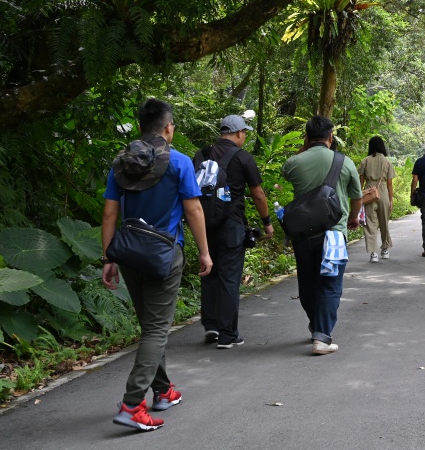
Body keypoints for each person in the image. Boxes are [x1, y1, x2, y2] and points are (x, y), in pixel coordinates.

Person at [100, 98, 213, 432]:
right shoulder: (178, 162)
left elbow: (109, 213)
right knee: (156, 329)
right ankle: (132, 405)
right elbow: (193, 210)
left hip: (129, 253)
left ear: (139, 127)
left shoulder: (121, 163)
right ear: (169, 128)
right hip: (164, 254)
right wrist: (205, 253)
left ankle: (163, 391)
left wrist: (108, 257)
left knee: (151, 326)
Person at [280, 116, 362, 355]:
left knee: (307, 283)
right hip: (334, 233)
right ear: (331, 137)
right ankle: (322, 337)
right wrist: (353, 217)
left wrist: (305, 147)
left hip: (303, 234)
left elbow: (286, 172)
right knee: (330, 283)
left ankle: (316, 326)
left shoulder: (294, 162)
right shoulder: (344, 162)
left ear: (306, 137)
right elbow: (356, 197)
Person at [194, 114, 274, 349]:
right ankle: (228, 335)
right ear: (239, 133)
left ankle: (211, 325)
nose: (245, 136)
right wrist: (267, 222)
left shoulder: (201, 154)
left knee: (208, 272)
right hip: (231, 224)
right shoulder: (243, 157)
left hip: (204, 223)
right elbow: (258, 194)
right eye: (245, 133)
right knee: (229, 278)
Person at [358, 136, 396, 263]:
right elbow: (390, 183)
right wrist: (391, 200)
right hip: (383, 191)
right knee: (384, 221)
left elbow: (360, 182)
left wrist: (359, 198)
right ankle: (385, 249)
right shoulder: (387, 162)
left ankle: (373, 253)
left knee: (370, 224)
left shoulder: (365, 161)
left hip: (369, 192)